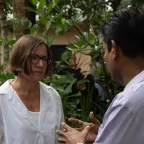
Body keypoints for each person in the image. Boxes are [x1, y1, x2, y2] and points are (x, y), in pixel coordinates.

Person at [56, 7, 144, 144]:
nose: (104, 57)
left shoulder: (128, 103)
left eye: (104, 50)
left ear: (114, 50)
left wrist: (77, 142)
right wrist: (105, 132)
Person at [0, 34, 64, 144]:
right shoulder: (2, 98)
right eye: (34, 58)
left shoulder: (53, 96)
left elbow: (61, 138)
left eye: (44, 58)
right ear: (20, 58)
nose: (41, 64)